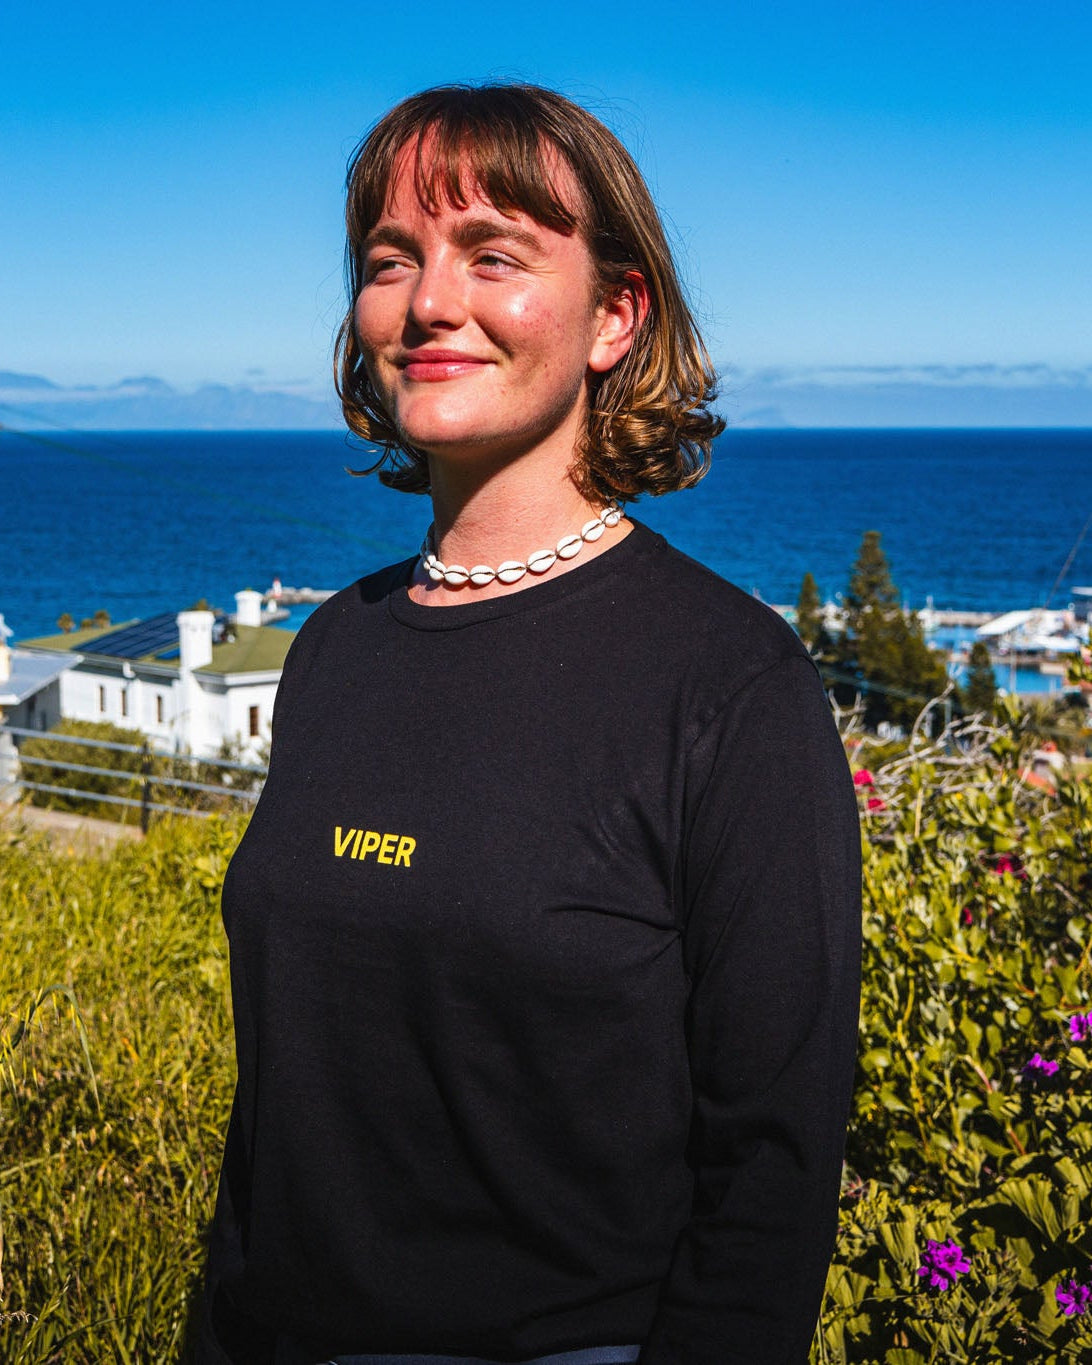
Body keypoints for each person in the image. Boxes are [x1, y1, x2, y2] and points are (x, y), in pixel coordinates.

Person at [197, 83, 861, 1365]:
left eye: (492, 254)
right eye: (392, 261)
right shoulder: (335, 649)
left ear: (617, 316)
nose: (429, 303)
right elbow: (278, 1116)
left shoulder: (730, 686)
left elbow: (772, 1176)